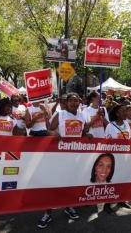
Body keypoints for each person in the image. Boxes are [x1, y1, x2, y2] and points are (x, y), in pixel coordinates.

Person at [37, 93, 89, 229]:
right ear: (66, 102)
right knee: (52, 186)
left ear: (79, 102)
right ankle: (47, 213)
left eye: (76, 100)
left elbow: (82, 133)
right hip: (58, 156)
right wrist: (53, 133)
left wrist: (87, 134)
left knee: (70, 184)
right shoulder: (60, 114)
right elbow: (48, 130)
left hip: (74, 157)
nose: (73, 103)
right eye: (71, 100)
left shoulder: (82, 116)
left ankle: (69, 207)